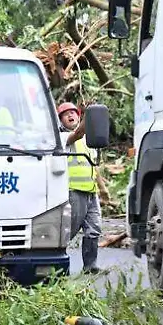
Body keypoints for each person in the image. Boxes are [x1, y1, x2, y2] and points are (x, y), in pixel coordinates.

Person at [59, 102, 103, 275]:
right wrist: (90, 115)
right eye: (66, 114)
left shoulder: (87, 140)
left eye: (73, 113)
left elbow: (92, 165)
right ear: (61, 120)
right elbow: (77, 133)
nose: (71, 116)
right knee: (70, 230)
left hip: (91, 192)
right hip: (74, 191)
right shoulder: (64, 138)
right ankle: (57, 265)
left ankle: (90, 265)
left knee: (94, 228)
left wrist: (103, 189)